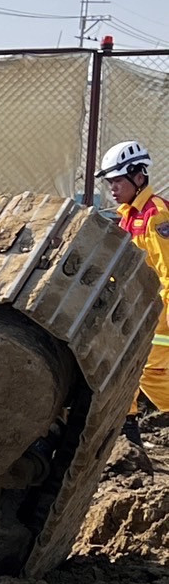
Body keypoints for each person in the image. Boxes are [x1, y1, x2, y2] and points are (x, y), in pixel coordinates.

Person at [97, 140, 169, 445]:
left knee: (150, 370)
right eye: (110, 183)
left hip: (159, 310)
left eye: (118, 181)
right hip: (136, 307)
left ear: (139, 177)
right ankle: (127, 431)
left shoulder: (156, 215)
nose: (113, 189)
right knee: (121, 364)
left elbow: (167, 267)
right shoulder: (127, 215)